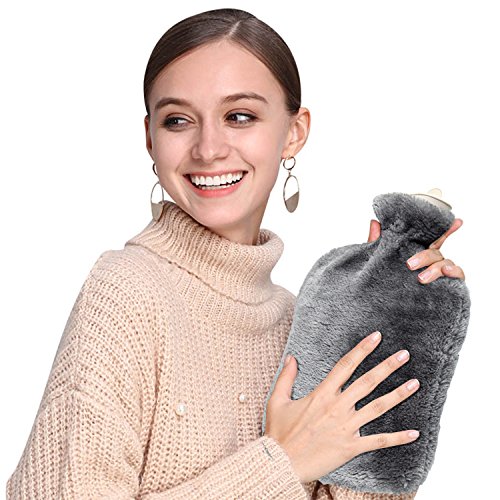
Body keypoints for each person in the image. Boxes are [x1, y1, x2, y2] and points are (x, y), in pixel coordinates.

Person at [6, 7, 466, 499]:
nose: (208, 148)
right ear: (150, 139)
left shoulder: (302, 319)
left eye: (239, 116)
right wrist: (282, 463)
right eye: (178, 120)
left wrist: (397, 320)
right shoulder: (127, 293)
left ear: (295, 132)